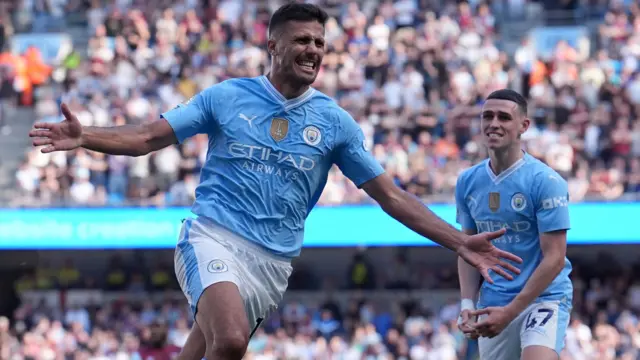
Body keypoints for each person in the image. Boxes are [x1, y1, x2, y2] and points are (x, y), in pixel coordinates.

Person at [30, 4, 522, 360]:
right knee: (231, 341)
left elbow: (390, 197)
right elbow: (146, 137)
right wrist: (86, 135)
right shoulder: (226, 97)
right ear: (273, 46)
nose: (313, 50)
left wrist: (461, 242)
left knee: (202, 352)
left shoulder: (335, 124)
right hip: (212, 236)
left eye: (319, 44)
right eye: (303, 41)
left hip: (272, 264)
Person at [455, 89, 573, 360]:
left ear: (524, 126)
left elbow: (555, 258)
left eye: (504, 117)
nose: (494, 123)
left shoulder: (546, 181)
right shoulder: (467, 182)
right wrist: (466, 303)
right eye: (488, 116)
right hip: (494, 302)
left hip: (544, 298)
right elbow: (467, 249)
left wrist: (512, 312)